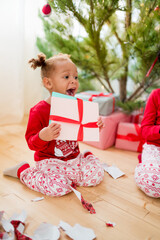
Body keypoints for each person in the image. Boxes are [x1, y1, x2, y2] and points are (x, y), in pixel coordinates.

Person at [3, 53, 104, 197]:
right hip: (49, 162)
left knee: (95, 177)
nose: (74, 81)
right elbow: (32, 144)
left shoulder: (76, 105)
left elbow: (80, 132)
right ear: (48, 83)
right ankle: (23, 171)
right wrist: (43, 136)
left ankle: (88, 157)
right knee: (59, 188)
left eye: (75, 77)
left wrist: (95, 126)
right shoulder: (38, 111)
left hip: (74, 158)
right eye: (66, 77)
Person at [134, 89, 160, 198]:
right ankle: (144, 166)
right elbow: (145, 131)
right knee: (154, 184)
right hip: (155, 147)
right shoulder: (156, 95)